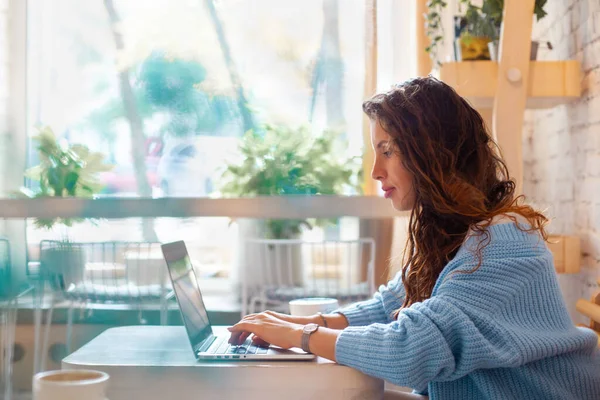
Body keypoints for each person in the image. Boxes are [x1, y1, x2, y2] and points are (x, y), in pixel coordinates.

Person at [228, 76, 600, 399]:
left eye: (387, 151)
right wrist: (292, 325)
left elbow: (411, 348)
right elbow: (388, 306)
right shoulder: (453, 234)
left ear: (431, 154)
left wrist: (301, 336)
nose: (375, 171)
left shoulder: (505, 244)